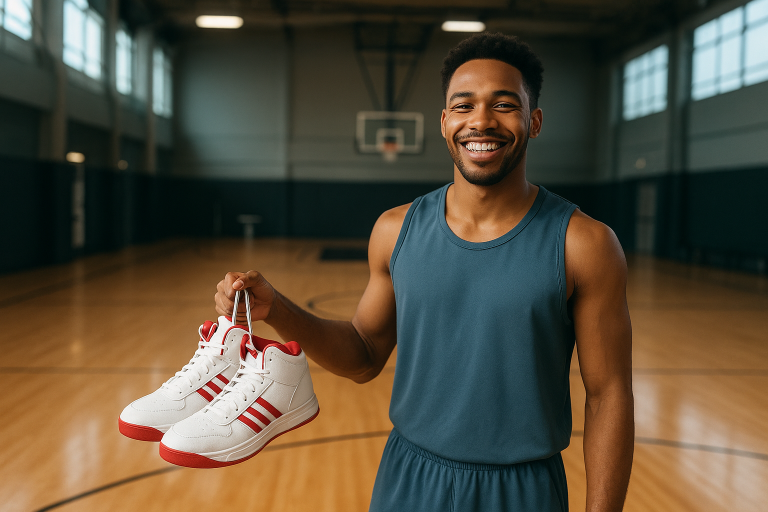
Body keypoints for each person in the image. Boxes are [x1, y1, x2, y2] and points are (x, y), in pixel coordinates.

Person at [215, 32, 634, 512]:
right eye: (463, 106)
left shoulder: (585, 244)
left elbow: (608, 396)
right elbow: (364, 355)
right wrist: (277, 310)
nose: (481, 120)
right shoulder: (396, 231)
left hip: (523, 490)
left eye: (503, 105)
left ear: (533, 121)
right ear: (443, 122)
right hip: (408, 480)